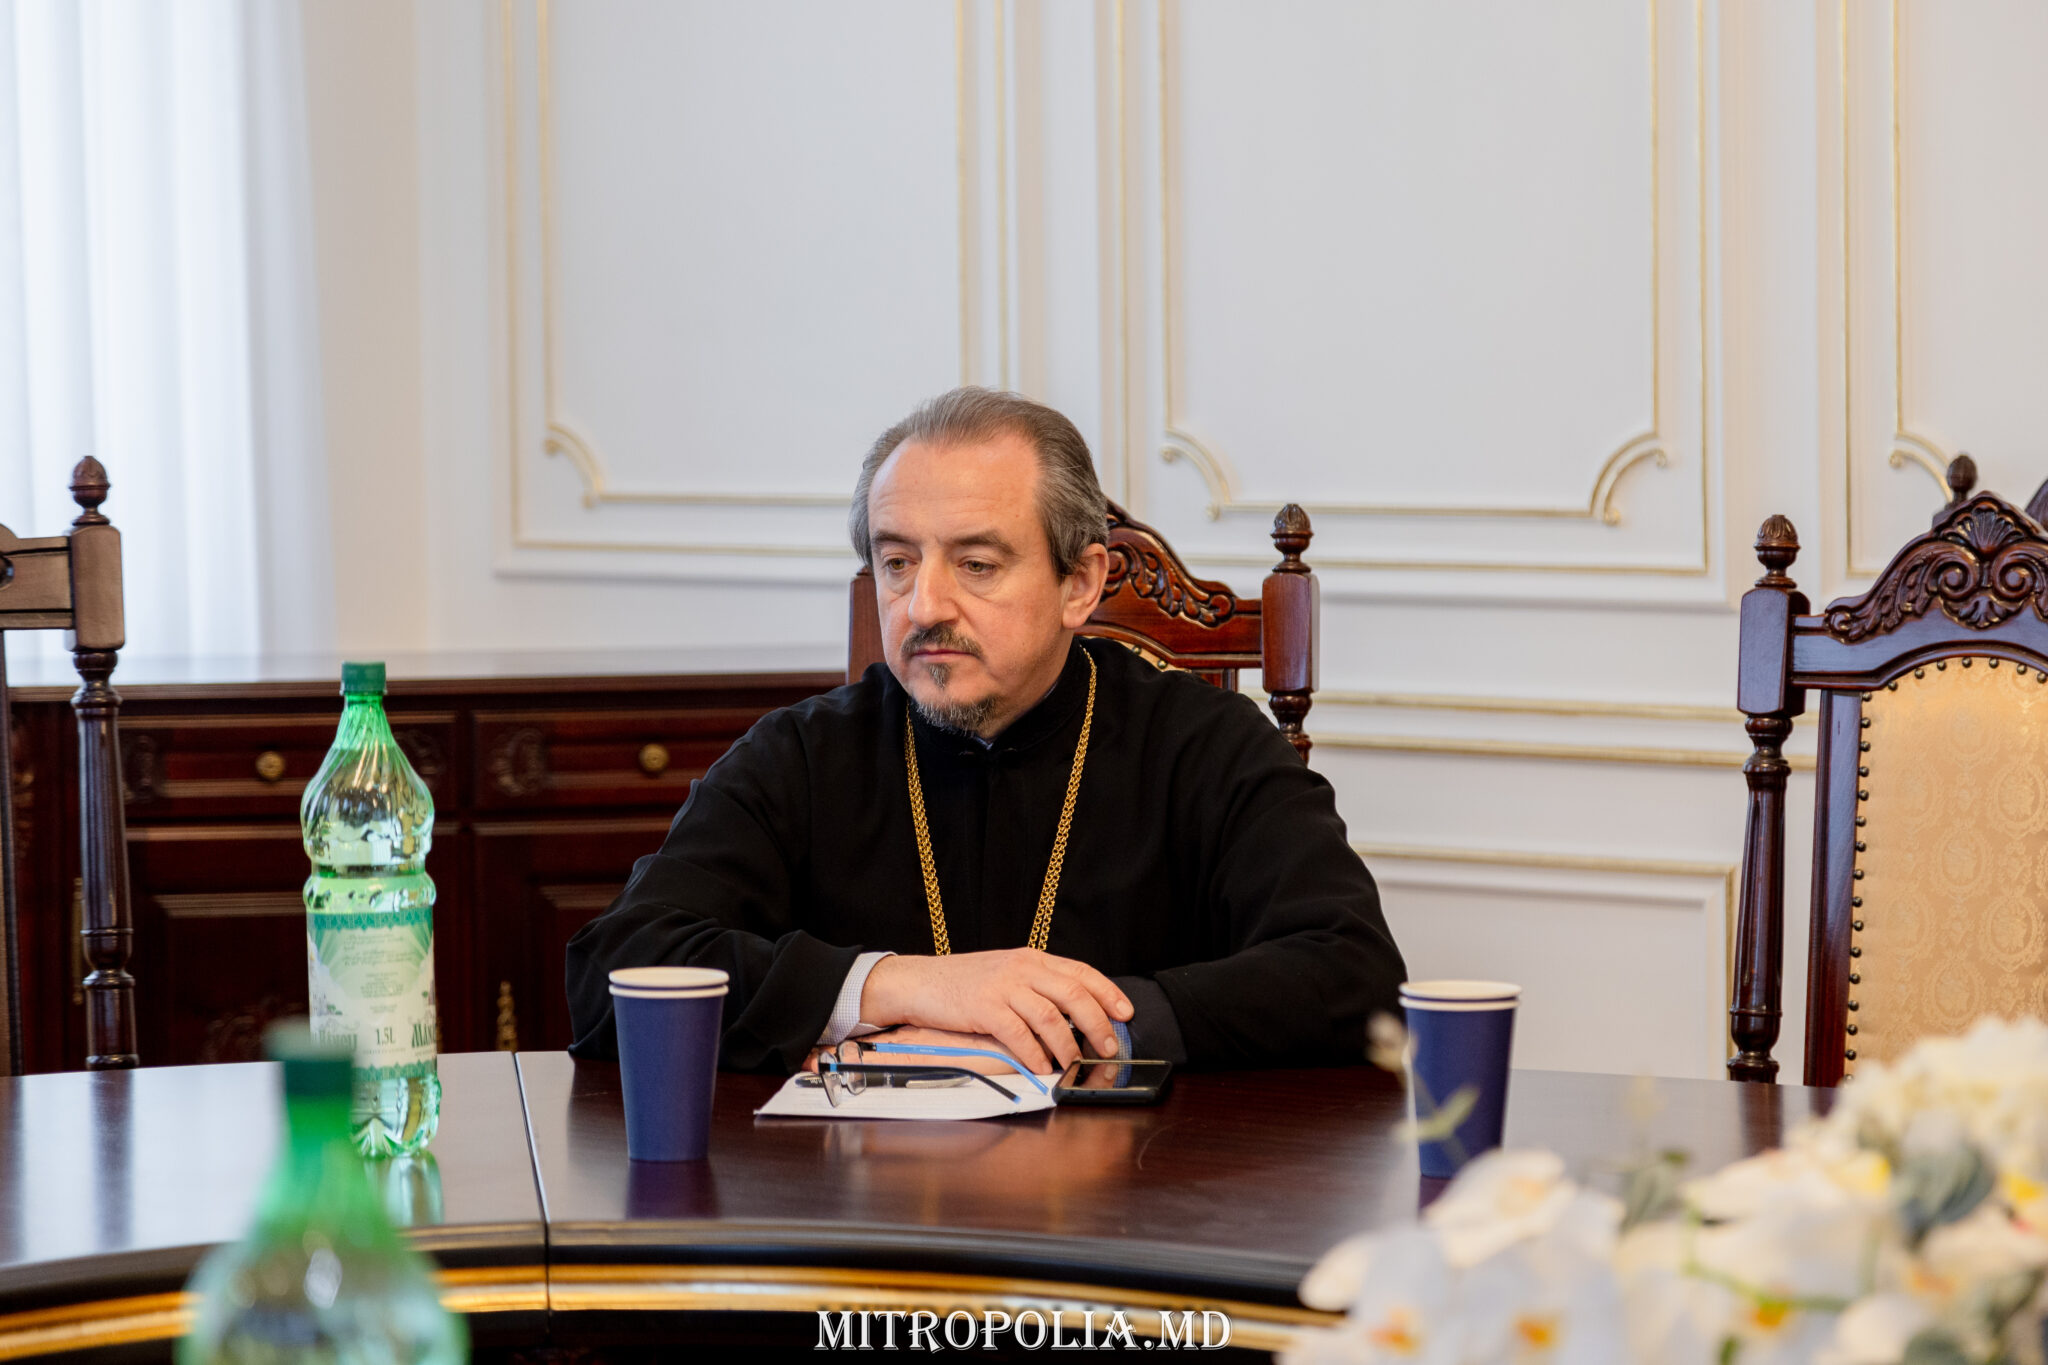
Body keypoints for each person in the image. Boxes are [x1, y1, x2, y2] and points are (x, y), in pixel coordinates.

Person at [564, 387, 1404, 1075]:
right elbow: (614, 969)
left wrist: (1084, 1025)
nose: (924, 606)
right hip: (860, 1207)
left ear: (1080, 583)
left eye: (976, 564)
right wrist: (897, 987)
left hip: (1137, 1199)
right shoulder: (803, 756)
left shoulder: (1203, 745)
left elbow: (1353, 971)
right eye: (898, 562)